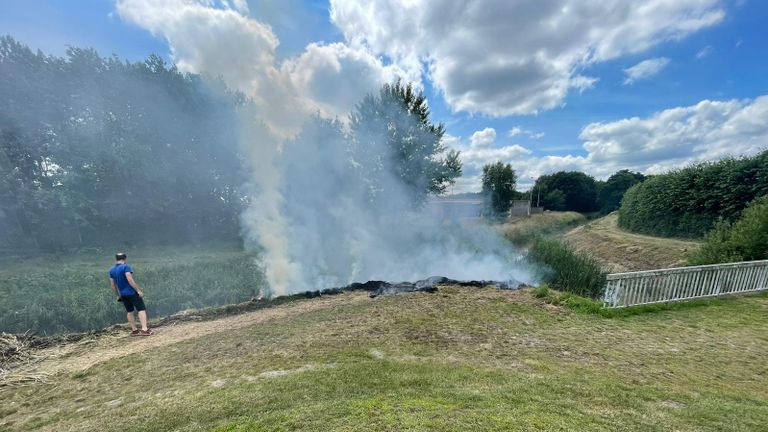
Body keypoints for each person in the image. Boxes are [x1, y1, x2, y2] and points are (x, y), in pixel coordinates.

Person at [109, 253, 154, 336]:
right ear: (125, 259)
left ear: (116, 259)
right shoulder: (126, 267)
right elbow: (130, 279)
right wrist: (138, 291)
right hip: (131, 292)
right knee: (141, 309)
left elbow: (112, 285)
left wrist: (118, 295)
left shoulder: (111, 270)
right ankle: (144, 329)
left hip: (123, 294)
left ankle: (134, 330)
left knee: (130, 311)